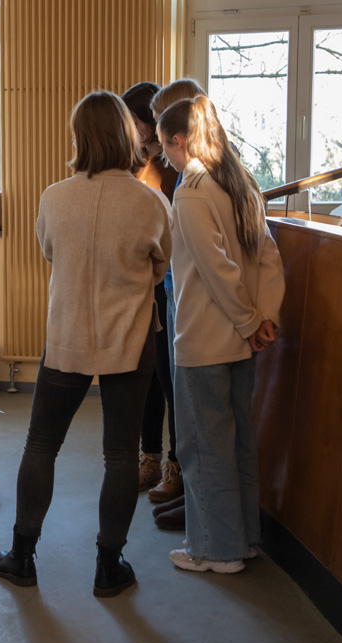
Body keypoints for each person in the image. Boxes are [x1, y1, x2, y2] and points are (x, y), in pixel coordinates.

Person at [0, 90, 171, 597]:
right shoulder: (150, 201)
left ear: (79, 138)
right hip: (130, 340)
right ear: (126, 134)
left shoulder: (54, 197)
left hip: (67, 338)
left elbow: (50, 251)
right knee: (121, 455)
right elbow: (161, 266)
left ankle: (22, 556)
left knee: (41, 444)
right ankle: (109, 567)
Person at [157, 95, 285, 573]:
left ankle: (214, 550)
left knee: (201, 445)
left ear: (179, 140)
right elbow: (268, 257)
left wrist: (250, 322)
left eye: (164, 145)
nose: (163, 156)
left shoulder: (191, 190)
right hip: (241, 341)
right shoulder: (240, 181)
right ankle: (243, 539)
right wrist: (264, 318)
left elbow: (216, 270)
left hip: (205, 338)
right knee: (236, 442)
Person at [146, 78, 207, 528]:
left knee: (193, 408)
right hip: (172, 288)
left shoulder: (194, 181)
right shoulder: (179, 174)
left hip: (188, 298)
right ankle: (190, 491)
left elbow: (213, 261)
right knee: (176, 396)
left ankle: (195, 497)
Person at [121, 82, 178, 493]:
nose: (132, 128)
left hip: (169, 280)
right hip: (139, 279)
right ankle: (150, 457)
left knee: (170, 376)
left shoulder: (174, 167)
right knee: (146, 377)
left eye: (135, 120)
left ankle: (176, 463)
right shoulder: (131, 161)